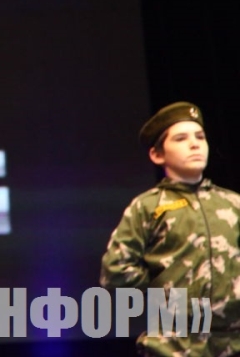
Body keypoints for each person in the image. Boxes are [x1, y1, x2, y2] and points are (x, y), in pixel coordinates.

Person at [100, 102, 240, 356]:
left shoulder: (233, 203)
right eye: (181, 138)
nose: (194, 144)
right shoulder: (148, 206)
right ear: (157, 155)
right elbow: (115, 271)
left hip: (232, 343)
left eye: (200, 137)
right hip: (172, 345)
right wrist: (165, 295)